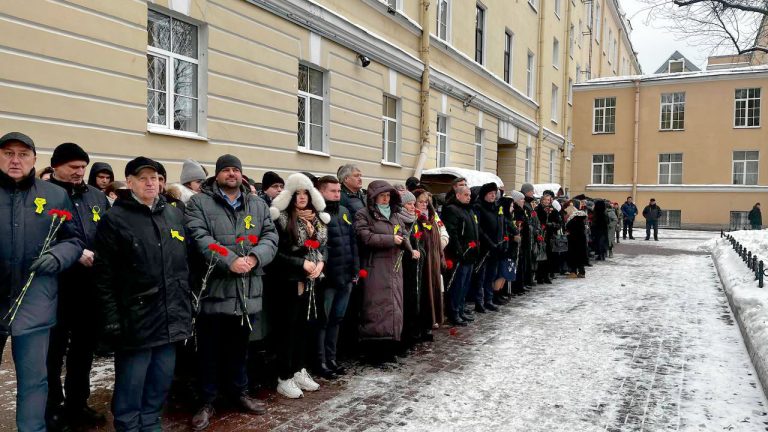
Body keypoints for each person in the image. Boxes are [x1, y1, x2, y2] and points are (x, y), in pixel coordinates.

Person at [93, 156, 192, 432]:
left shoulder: (173, 213)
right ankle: (127, 425)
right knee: (132, 382)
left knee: (161, 378)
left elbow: (184, 263)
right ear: (131, 183)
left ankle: (151, 423)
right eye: (144, 178)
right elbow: (104, 275)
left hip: (171, 315)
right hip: (136, 317)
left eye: (157, 178)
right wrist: (111, 318)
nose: (152, 183)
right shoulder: (116, 218)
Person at [184, 154, 278, 428]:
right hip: (214, 289)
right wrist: (229, 260)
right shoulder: (199, 203)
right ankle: (207, 400)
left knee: (239, 347)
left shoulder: (257, 204)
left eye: (236, 170)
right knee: (209, 350)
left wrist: (255, 258)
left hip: (247, 290)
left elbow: (270, 236)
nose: (232, 174)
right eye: (226, 170)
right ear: (217, 175)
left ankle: (239, 392)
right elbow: (199, 237)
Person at [0, 132, 84, 432]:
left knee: (34, 379)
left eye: (23, 154)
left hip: (35, 301)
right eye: (8, 153)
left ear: (34, 159)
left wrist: (59, 257)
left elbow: (73, 239)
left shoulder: (54, 195)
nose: (15, 160)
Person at [45, 143, 110, 428]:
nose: (80, 172)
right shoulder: (44, 195)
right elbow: (38, 236)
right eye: (73, 167)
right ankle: (52, 405)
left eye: (83, 167)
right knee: (53, 350)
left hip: (90, 288)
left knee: (83, 350)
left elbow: (108, 230)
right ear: (56, 165)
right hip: (56, 287)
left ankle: (77, 402)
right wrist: (72, 253)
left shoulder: (96, 196)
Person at [265, 173, 329, 398]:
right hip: (288, 282)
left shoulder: (317, 220)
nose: (302, 198)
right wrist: (302, 263)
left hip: (311, 281)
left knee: (304, 327)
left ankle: (299, 368)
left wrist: (320, 262)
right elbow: (276, 254)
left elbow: (322, 247)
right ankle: (284, 376)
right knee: (287, 329)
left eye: (305, 193)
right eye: (297, 193)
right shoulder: (281, 219)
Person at [354, 180, 414, 361]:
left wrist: (407, 245)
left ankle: (392, 345)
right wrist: (391, 240)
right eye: (382, 196)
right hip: (376, 266)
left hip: (394, 266)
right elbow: (365, 236)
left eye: (388, 195)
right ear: (374, 197)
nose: (386, 199)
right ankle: (374, 349)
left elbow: (403, 233)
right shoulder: (363, 214)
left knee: (394, 304)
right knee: (376, 306)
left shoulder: (395, 215)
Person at [313, 176, 358, 379]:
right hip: (328, 277)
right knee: (323, 320)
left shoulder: (344, 211)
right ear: (321, 191)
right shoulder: (316, 214)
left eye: (339, 191)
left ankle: (332, 358)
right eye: (332, 191)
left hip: (346, 274)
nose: (337, 194)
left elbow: (352, 241)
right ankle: (320, 361)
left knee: (337, 319)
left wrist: (355, 268)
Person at [441, 186, 480, 326]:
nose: (469, 197)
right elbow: (453, 233)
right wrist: (459, 251)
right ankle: (454, 312)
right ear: (458, 195)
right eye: (466, 195)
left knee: (465, 285)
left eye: (469, 195)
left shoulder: (468, 209)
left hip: (470, 254)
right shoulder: (452, 209)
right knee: (457, 285)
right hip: (461, 255)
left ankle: (461, 310)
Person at [413, 189, 447, 329]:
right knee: (425, 289)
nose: (424, 204)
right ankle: (426, 321)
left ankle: (434, 318)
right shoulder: (415, 218)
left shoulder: (432, 217)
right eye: (420, 202)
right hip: (423, 260)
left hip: (434, 258)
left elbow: (441, 233)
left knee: (435, 288)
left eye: (426, 202)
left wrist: (441, 248)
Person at [473, 182, 505, 312]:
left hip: (495, 247)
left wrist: (501, 241)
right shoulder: (478, 207)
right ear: (484, 194)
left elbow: (501, 225)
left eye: (494, 194)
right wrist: (489, 243)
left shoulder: (496, 207)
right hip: (484, 247)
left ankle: (489, 299)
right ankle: (479, 302)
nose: (493, 196)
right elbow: (478, 228)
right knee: (480, 276)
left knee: (491, 275)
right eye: (490, 194)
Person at [566, 208, 588, 278]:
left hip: (573, 242)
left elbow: (567, 226)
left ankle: (573, 272)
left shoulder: (572, 222)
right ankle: (581, 272)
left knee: (573, 257)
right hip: (581, 242)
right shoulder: (582, 222)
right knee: (581, 257)